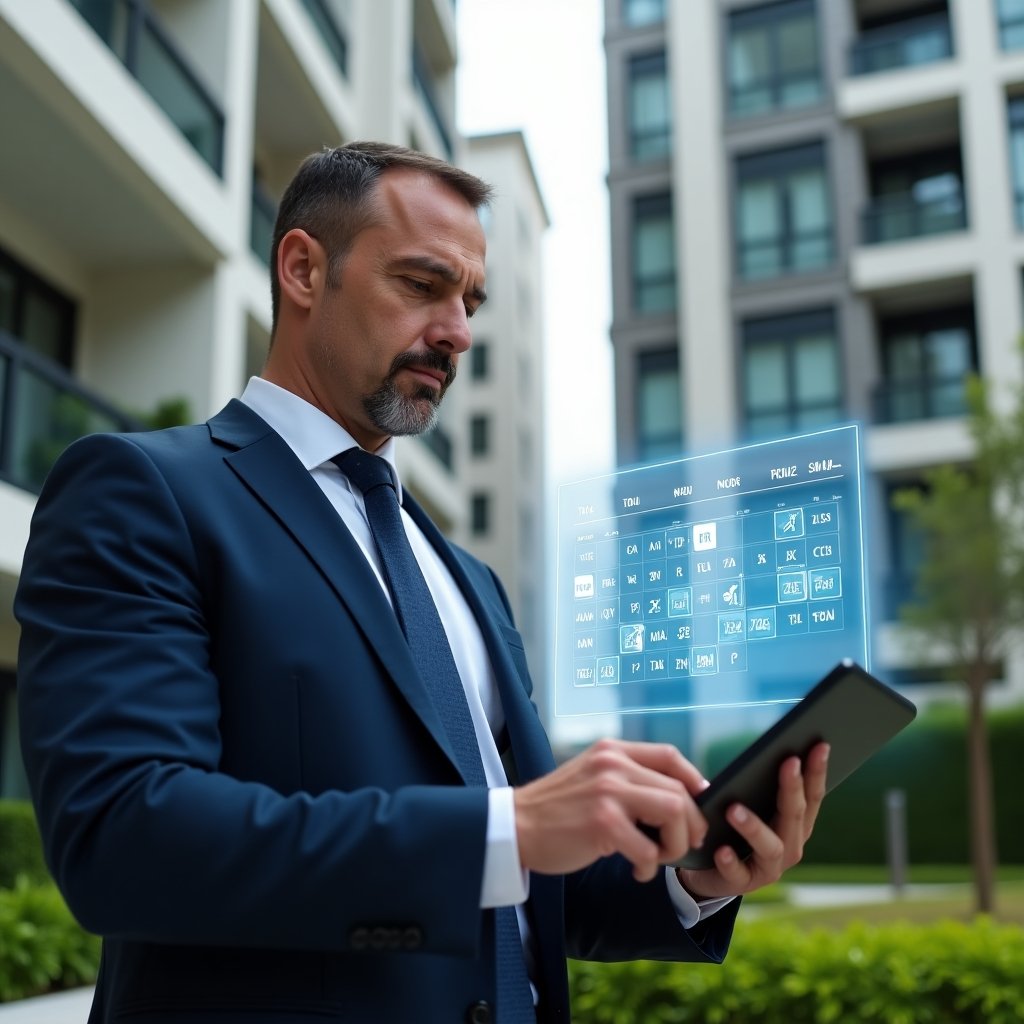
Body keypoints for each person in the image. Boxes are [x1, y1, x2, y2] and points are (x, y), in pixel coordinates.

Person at [15, 142, 828, 1024]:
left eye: (469, 300)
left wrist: (689, 874)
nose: (458, 330)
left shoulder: (465, 576)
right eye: (421, 284)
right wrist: (510, 828)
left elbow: (520, 892)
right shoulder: (146, 492)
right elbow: (126, 839)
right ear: (302, 269)